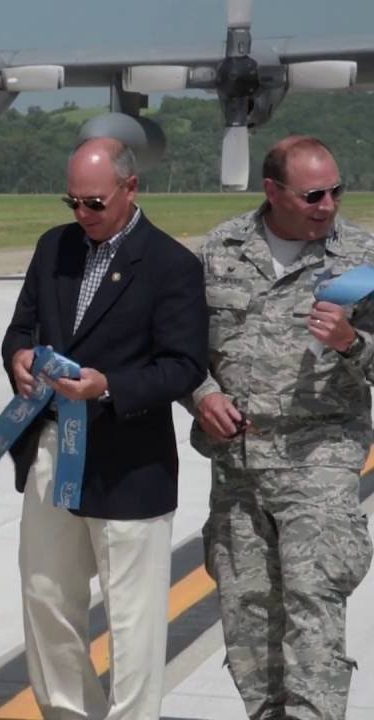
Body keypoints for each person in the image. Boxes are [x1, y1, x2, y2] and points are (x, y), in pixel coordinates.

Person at [0, 137, 207, 719]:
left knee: (132, 620)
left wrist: (108, 386)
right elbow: (22, 327)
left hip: (127, 463)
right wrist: (18, 357)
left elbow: (183, 366)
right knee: (46, 598)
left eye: (94, 203)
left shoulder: (171, 264)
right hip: (51, 455)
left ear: (131, 188)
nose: (82, 215)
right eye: (73, 202)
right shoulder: (53, 248)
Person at [189, 135, 374, 720]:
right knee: (248, 619)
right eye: (313, 194)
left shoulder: (362, 259)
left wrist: (352, 344)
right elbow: (183, 350)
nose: (327, 205)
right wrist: (202, 395)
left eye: (336, 191)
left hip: (321, 459)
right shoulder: (221, 250)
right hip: (238, 466)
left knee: (313, 609)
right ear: (272, 191)